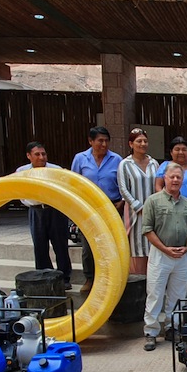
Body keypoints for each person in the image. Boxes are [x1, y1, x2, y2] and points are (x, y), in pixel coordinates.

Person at [141, 163, 187, 351]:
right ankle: (151, 332)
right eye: (171, 177)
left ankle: (172, 328)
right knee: (155, 294)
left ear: (182, 180)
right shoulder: (153, 201)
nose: (175, 180)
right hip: (160, 255)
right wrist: (165, 249)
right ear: (164, 178)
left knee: (178, 295)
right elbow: (148, 230)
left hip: (182, 255)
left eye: (178, 177)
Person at [71, 126, 124, 294]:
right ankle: (90, 278)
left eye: (106, 141)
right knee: (89, 247)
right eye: (100, 140)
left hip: (112, 207)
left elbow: (123, 184)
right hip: (88, 209)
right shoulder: (80, 159)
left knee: (111, 245)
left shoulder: (116, 159)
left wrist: (122, 201)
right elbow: (74, 183)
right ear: (90, 141)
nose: (104, 144)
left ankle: (111, 278)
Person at [15, 141, 72, 289]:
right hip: (35, 210)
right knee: (40, 245)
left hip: (55, 210)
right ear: (29, 156)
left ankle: (64, 278)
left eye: (43, 154)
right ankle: (43, 278)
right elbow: (18, 190)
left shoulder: (56, 170)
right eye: (37, 154)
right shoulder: (22, 171)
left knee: (60, 245)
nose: (41, 157)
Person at [155, 137, 187, 293]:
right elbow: (158, 186)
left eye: (184, 149)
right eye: (177, 149)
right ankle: (168, 280)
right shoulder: (164, 166)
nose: (180, 152)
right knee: (169, 245)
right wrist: (168, 202)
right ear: (171, 152)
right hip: (168, 214)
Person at [118, 128, 159, 275]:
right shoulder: (125, 164)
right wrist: (138, 206)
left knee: (153, 247)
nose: (143, 144)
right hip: (135, 213)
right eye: (139, 141)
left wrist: (154, 208)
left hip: (153, 212)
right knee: (136, 247)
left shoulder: (154, 163)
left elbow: (159, 186)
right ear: (131, 144)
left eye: (145, 141)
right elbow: (123, 189)